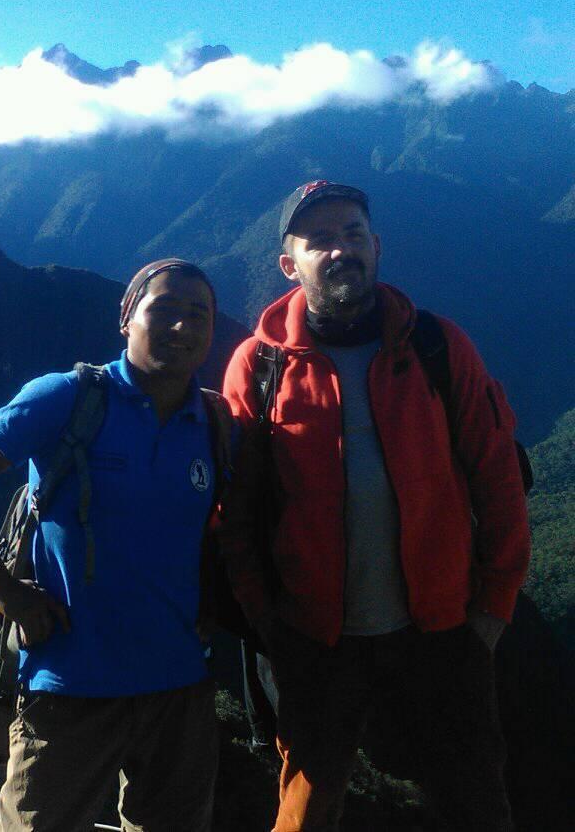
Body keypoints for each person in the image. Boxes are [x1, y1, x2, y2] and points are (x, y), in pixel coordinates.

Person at [218, 180, 530, 831]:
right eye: (320, 240)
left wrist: (492, 609)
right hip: (314, 638)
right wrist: (265, 618)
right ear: (289, 263)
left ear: (376, 246)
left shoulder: (437, 348)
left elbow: (497, 475)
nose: (340, 251)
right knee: (306, 809)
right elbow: (234, 509)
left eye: (353, 234)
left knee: (475, 802)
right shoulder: (261, 365)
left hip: (443, 630)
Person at [0, 259, 224, 832]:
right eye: (163, 309)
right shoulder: (67, 399)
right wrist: (2, 586)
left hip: (180, 688)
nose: (182, 327)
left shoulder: (213, 421)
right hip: (69, 686)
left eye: (198, 314)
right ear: (126, 318)